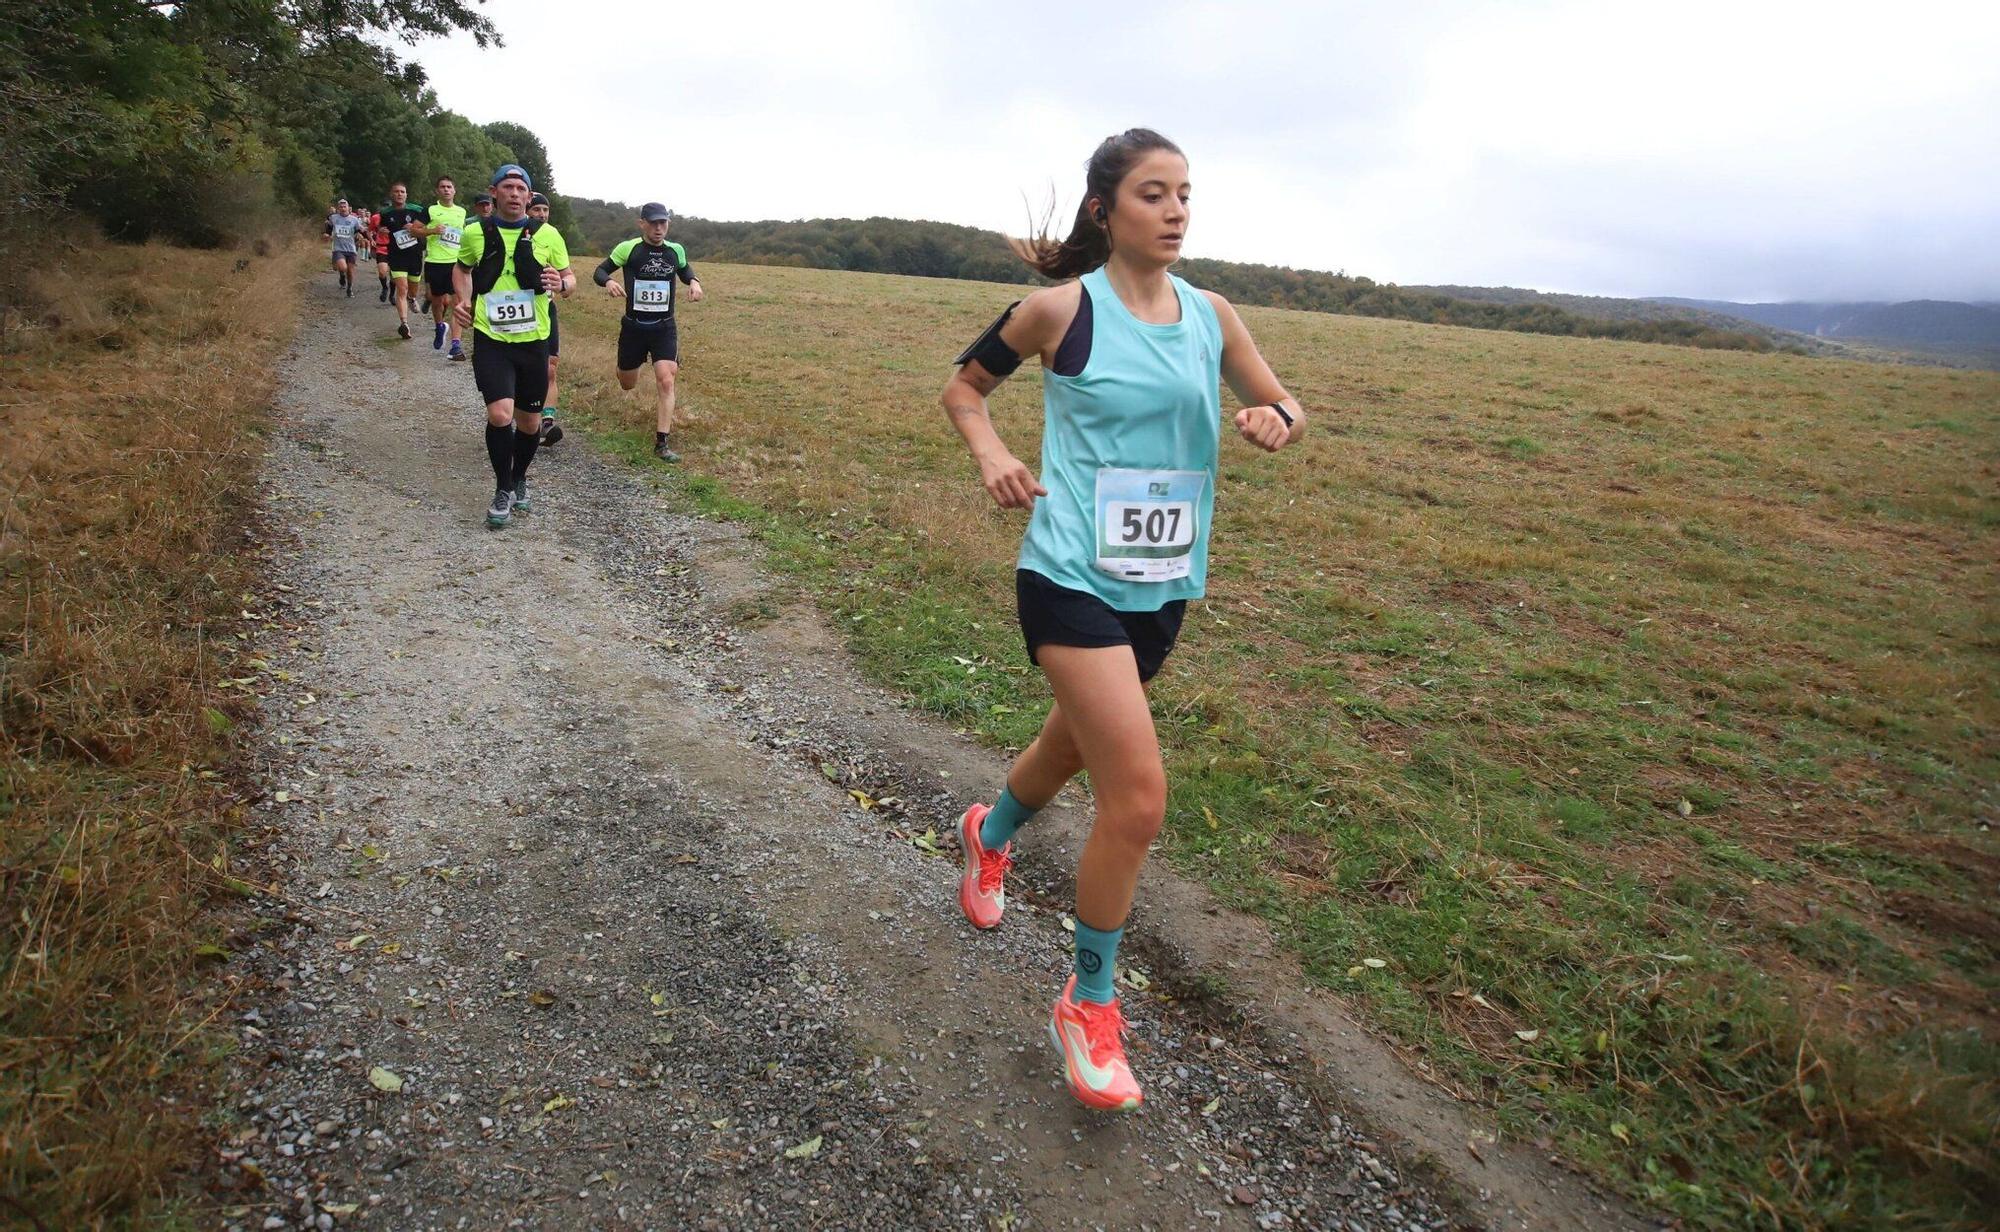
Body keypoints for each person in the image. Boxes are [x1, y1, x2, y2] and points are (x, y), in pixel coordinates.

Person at [940, 129, 1304, 1112]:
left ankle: (990, 829)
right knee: (1136, 797)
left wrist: (1277, 418)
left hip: (1159, 587)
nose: (1177, 210)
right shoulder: (1059, 309)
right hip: (1065, 573)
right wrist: (990, 456)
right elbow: (963, 389)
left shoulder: (1211, 315)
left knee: (1071, 745)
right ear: (1106, 208)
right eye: (1154, 193)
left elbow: (1282, 400)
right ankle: (1087, 1000)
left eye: (1185, 193)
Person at [452, 164, 573, 528]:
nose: (515, 193)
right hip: (492, 339)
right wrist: (463, 299)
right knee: (500, 415)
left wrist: (562, 283)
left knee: (530, 422)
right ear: (494, 192)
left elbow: (569, 279)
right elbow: (462, 268)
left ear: (529, 195)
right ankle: (502, 488)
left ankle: (520, 476)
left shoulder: (548, 234)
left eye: (522, 188)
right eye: (508, 187)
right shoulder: (475, 232)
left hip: (533, 340)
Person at [592, 203, 701, 461]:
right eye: (653, 223)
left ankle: (661, 443)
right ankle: (628, 366)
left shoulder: (675, 250)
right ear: (642, 223)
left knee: (666, 379)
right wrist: (608, 281)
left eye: (663, 223)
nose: (658, 228)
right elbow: (600, 270)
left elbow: (684, 270)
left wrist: (695, 282)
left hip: (664, 327)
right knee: (627, 383)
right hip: (633, 328)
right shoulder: (628, 249)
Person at [408, 176, 469, 359]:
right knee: (437, 301)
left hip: (456, 262)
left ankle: (456, 345)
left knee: (458, 302)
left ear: (454, 190)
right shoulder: (430, 210)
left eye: (449, 187)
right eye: (442, 187)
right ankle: (439, 326)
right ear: (437, 191)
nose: (446, 190)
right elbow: (413, 230)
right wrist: (432, 231)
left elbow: (463, 234)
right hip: (435, 261)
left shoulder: (461, 212)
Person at [528, 192, 564, 446]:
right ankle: (521, 420)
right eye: (536, 209)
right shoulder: (516, 234)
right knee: (525, 370)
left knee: (550, 367)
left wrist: (562, 284)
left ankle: (547, 422)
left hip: (546, 309)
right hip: (518, 313)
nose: (541, 214)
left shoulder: (552, 235)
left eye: (545, 210)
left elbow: (566, 274)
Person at [377, 182, 426, 341]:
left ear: (406, 194)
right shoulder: (385, 213)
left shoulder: (417, 210)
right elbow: (382, 228)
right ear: (392, 194)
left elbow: (428, 227)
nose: (399, 194)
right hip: (396, 255)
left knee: (412, 288)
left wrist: (415, 228)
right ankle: (404, 324)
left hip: (415, 254)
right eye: (396, 191)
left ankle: (412, 299)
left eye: (402, 191)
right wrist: (381, 230)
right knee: (402, 288)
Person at [324, 199, 364, 296]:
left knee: (350, 271)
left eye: (344, 206)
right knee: (343, 267)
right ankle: (342, 275)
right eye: (340, 207)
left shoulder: (354, 219)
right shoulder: (333, 218)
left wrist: (361, 234)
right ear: (338, 208)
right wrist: (327, 234)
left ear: (348, 208)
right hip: (338, 248)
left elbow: (360, 230)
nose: (342, 208)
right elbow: (328, 225)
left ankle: (349, 288)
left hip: (351, 248)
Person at [369, 202, 393, 302]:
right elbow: (369, 230)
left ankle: (392, 295)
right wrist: (371, 239)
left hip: (395, 249)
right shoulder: (375, 218)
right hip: (381, 248)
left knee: (394, 275)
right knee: (382, 272)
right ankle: (385, 288)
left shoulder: (397, 216)